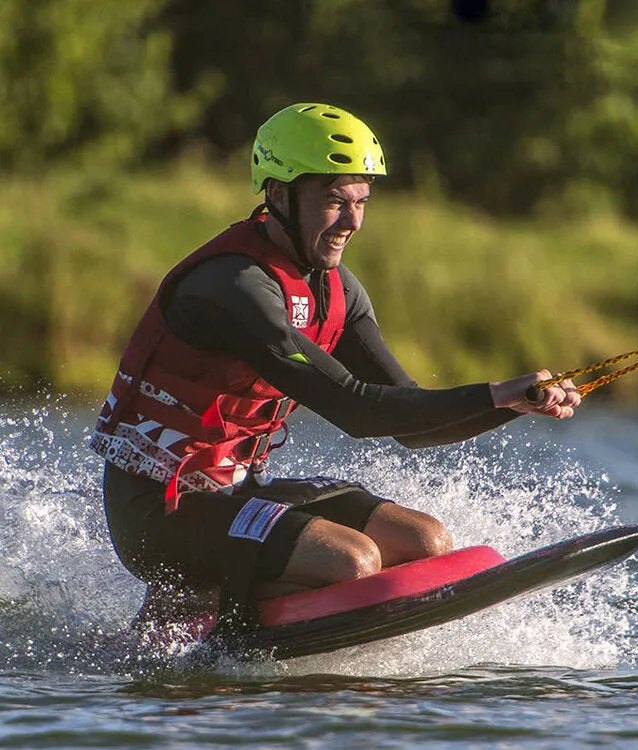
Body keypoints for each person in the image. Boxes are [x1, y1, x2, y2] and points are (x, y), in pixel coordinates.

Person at [91, 102, 580, 633]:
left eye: (361, 202)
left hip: (240, 491)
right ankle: (196, 607)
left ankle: (244, 596)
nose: (351, 221)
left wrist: (515, 403)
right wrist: (494, 391)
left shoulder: (338, 291)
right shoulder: (233, 287)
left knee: (425, 541)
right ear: (278, 194)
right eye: (333, 201)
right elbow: (355, 408)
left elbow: (411, 426)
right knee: (352, 560)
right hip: (160, 513)